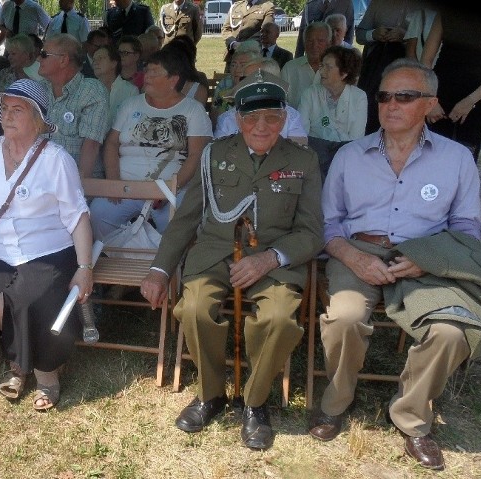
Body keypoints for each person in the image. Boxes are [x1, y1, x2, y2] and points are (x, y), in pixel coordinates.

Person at [309, 58, 481, 471]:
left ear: (430, 103)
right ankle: (337, 401)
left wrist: (426, 260)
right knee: (344, 316)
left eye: (405, 96)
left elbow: (467, 228)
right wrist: (352, 256)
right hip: (358, 251)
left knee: (451, 332)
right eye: (384, 96)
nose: (391, 105)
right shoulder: (350, 156)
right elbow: (327, 223)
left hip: (427, 257)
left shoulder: (456, 159)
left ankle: (411, 416)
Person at [140, 72, 323, 450]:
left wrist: (270, 259)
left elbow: (311, 232)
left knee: (277, 319)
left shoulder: (303, 161)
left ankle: (255, 403)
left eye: (271, 117)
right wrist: (159, 269)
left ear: (284, 119)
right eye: (252, 118)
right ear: (238, 120)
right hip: (214, 253)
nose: (261, 126)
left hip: (274, 261)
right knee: (193, 308)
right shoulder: (215, 154)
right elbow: (188, 217)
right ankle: (211, 394)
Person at [0, 78, 93, 411]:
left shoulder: (56, 159)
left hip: (47, 250)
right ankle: (26, 357)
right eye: (5, 109)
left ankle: (41, 372)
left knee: (30, 299)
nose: (7, 116)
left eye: (17, 110)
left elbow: (77, 216)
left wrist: (84, 267)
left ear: (37, 120)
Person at [90, 48, 211, 240]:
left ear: (173, 80)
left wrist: (171, 188)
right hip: (125, 187)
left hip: (171, 189)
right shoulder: (131, 104)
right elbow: (112, 144)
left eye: (155, 72)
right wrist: (113, 181)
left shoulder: (192, 110)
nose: (147, 76)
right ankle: (117, 259)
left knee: (181, 224)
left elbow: (197, 155)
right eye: (147, 71)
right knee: (97, 215)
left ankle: (164, 266)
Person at [421, 7, 481, 162]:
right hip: (440, 93)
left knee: (465, 162)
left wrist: (470, 100)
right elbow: (426, 59)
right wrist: (430, 97)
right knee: (430, 159)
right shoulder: (446, 13)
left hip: (478, 95)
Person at [37, 33, 109, 178]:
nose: (38, 58)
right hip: (39, 177)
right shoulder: (39, 89)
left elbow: (91, 146)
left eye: (44, 54)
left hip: (73, 180)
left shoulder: (91, 91)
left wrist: (76, 191)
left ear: (63, 60)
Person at [297, 45, 366, 178]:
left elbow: (357, 139)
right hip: (315, 156)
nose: (321, 71)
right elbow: (301, 132)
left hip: (345, 156)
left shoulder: (359, 97)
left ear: (344, 73)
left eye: (328, 67)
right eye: (321, 66)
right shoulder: (309, 94)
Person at [214, 65, 308, 146]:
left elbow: (298, 153)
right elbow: (219, 155)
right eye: (244, 79)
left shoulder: (291, 116)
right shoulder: (227, 118)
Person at [354, 0, 410, 134]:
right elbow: (360, 35)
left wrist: (405, 35)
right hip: (374, 69)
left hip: (406, 69)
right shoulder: (378, 3)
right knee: (370, 107)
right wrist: (374, 34)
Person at [281, 21, 331, 109]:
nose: (315, 45)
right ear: (304, 43)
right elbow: (281, 101)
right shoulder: (289, 68)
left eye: (320, 41)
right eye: (310, 41)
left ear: (329, 44)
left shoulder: (338, 70)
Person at [219, 0, 273, 71]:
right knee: (229, 80)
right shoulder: (236, 6)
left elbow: (265, 31)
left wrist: (245, 45)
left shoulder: (267, 7)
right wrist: (233, 43)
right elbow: (226, 29)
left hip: (253, 58)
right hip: (233, 58)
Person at [92, 44, 139, 121]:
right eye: (94, 60)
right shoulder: (88, 89)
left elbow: (132, 122)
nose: (95, 62)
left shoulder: (130, 91)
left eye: (100, 58)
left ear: (114, 63)